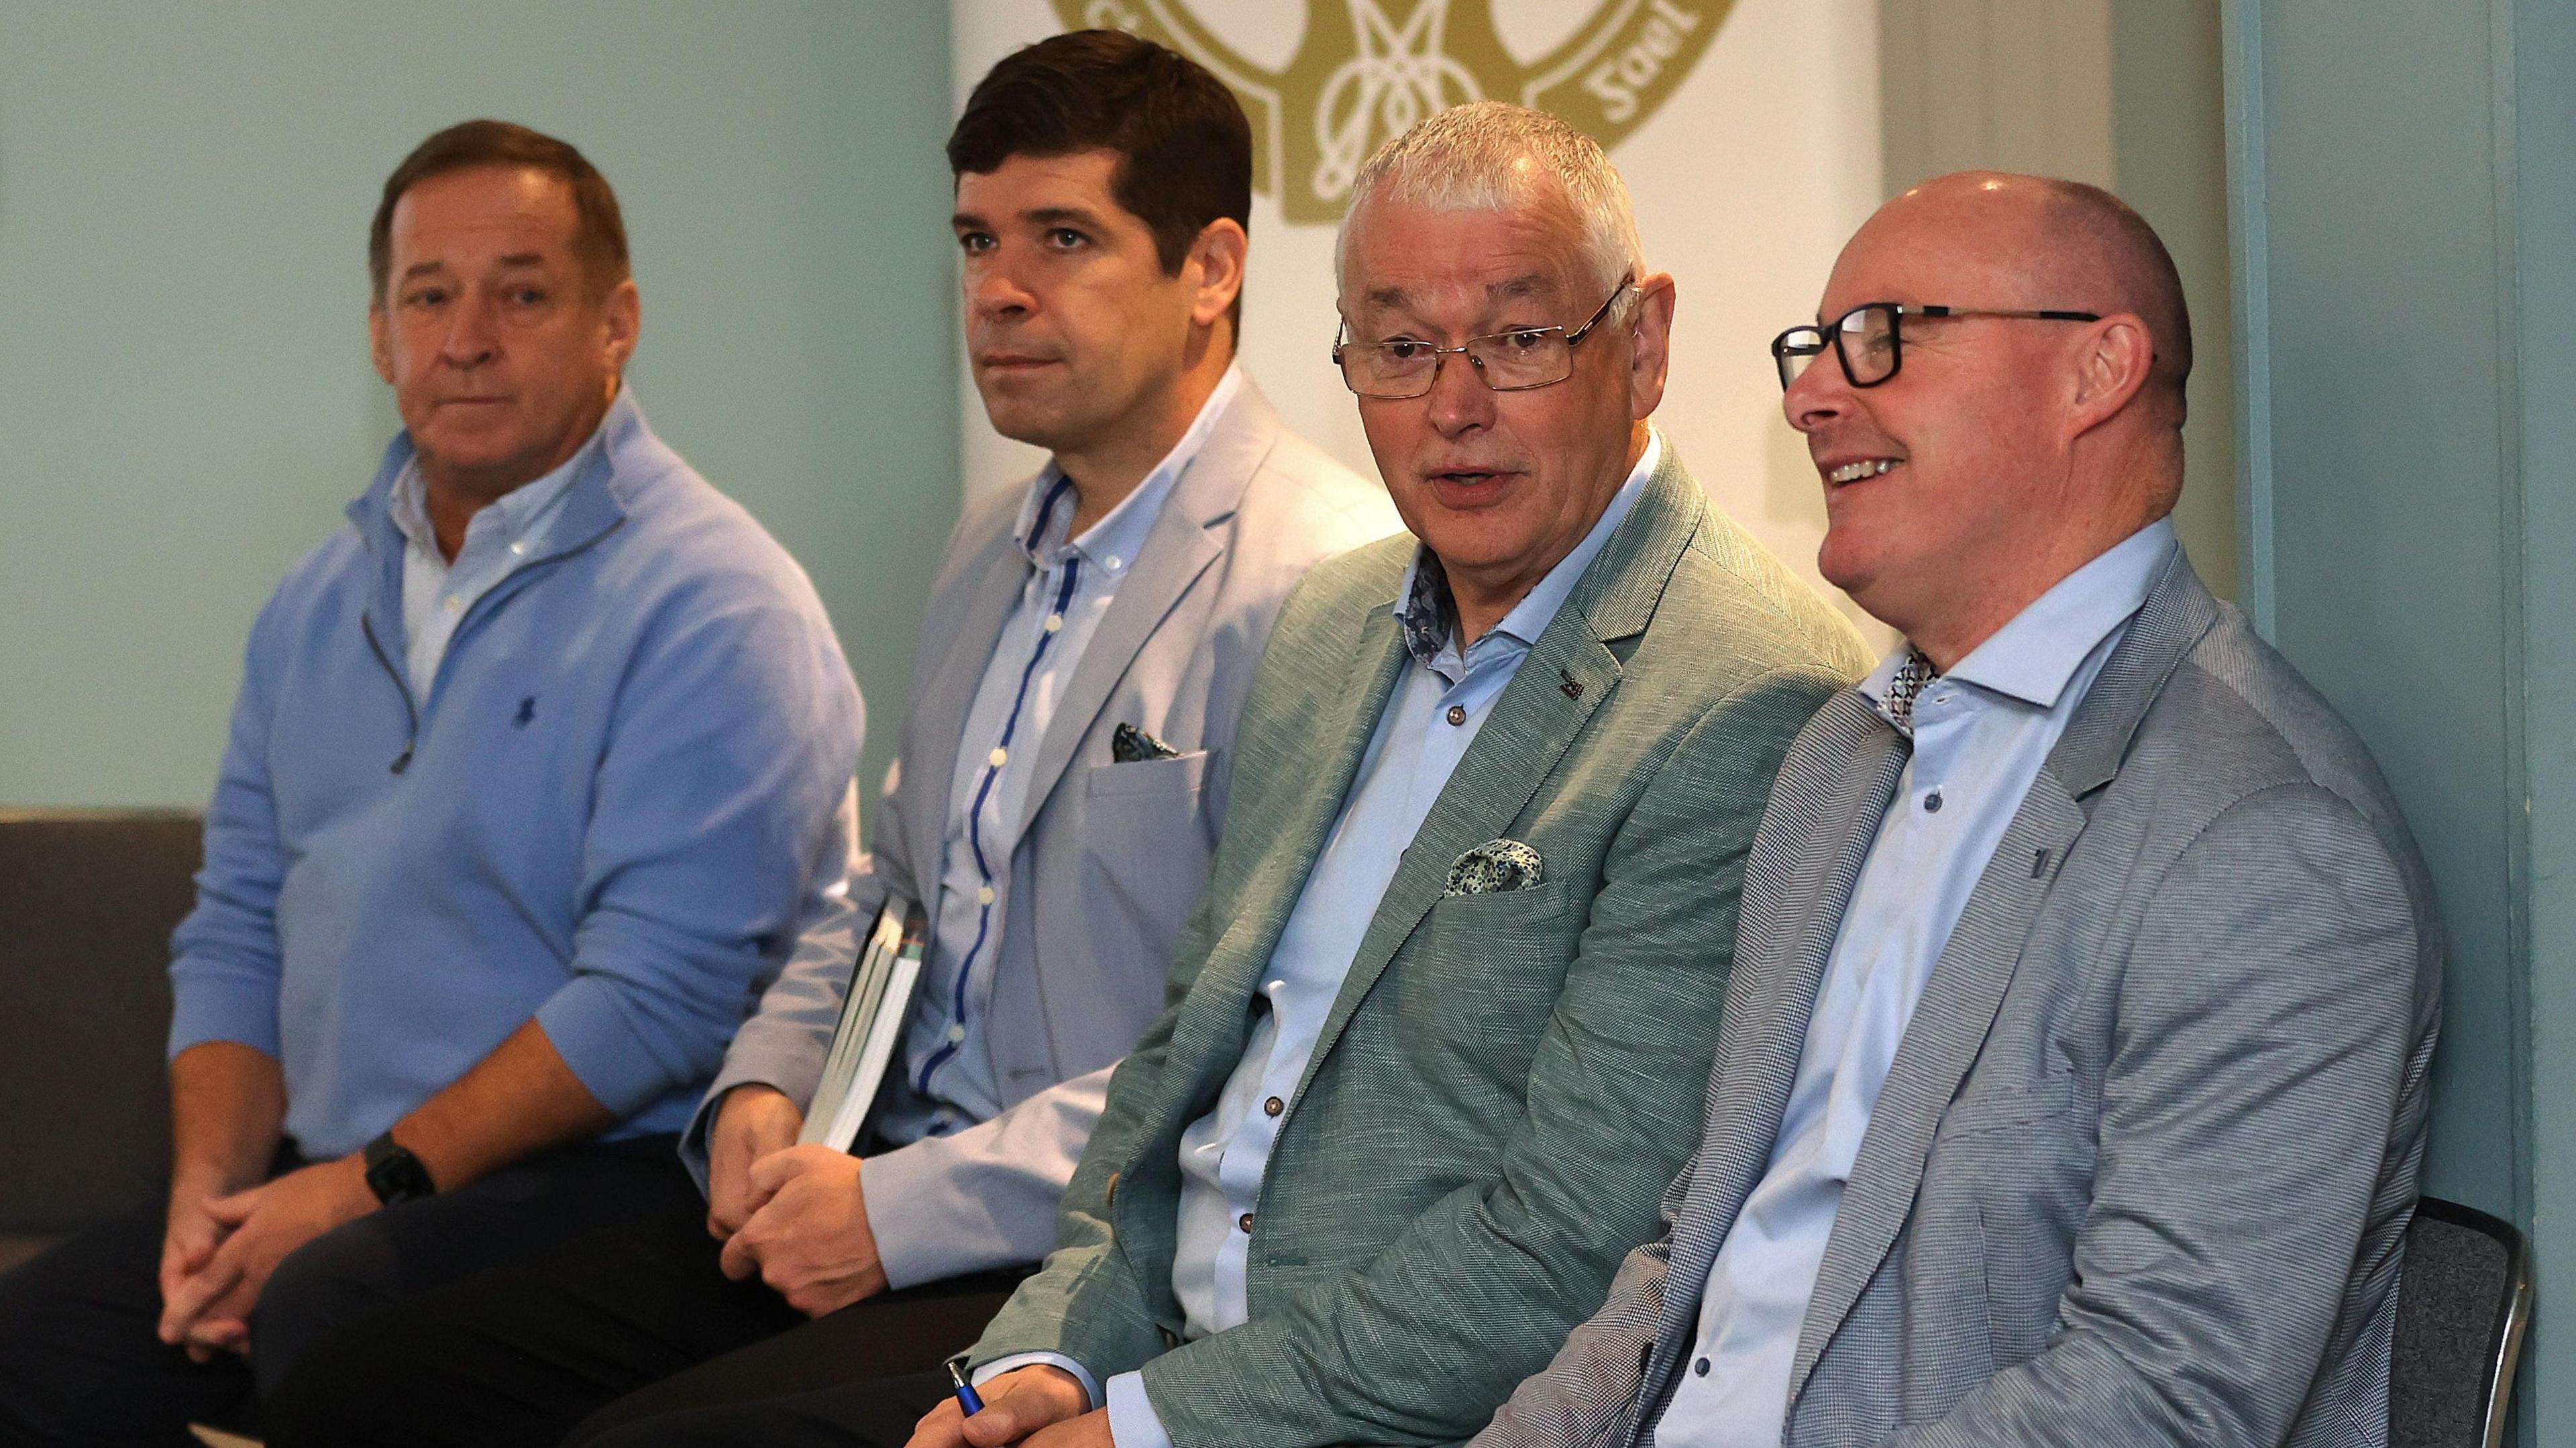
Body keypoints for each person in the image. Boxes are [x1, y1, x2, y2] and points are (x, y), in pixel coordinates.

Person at [584, 101, 1869, 1448]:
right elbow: (1173, 1074)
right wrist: (1042, 1362)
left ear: (1644, 339)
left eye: (1519, 337)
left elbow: (1558, 1252)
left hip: (1378, 1409)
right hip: (1154, 1345)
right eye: (1399, 345)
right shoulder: (1337, 621)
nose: (1453, 406)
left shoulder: (1742, 690)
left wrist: (1143, 1423)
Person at [258, 32, 1398, 1448]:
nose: (999, 290)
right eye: (978, 239)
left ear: (1212, 268)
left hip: (1091, 1256)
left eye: (1064, 239)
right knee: (353, 1372)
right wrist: (759, 1085)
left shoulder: (1328, 576)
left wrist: (893, 1210)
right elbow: (888, 898)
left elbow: (1261, 1051)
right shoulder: (991, 544)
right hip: (863, 1169)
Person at [1472, 172, 2444, 1448]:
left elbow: (2158, 1403)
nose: (1810, 395)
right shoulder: (1841, 753)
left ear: (2096, 370)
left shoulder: (2267, 839)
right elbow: (1699, 1243)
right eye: (1813, 351)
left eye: (1884, 338)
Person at [0, 119, 865, 1445]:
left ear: (614, 320)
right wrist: (208, 1201)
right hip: (348, 1169)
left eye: (522, 293)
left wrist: (359, 1189)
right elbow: (236, 920)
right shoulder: (315, 602)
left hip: (615, 1172)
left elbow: (661, 997)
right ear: (379, 334)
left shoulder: (717, 601)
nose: (467, 335)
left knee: (329, 1311)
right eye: (429, 296)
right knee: (45, 1340)